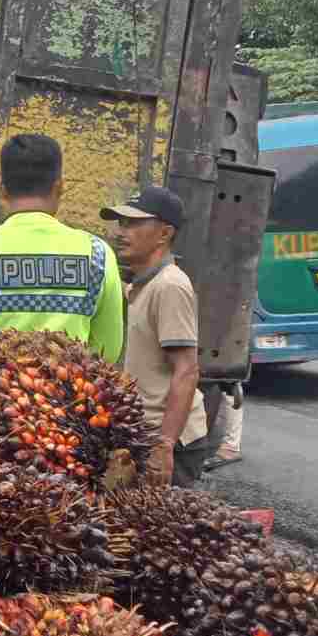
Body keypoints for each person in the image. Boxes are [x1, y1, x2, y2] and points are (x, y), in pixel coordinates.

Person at [0, 133, 123, 361]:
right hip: (70, 395)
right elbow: (106, 352)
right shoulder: (98, 255)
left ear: (2, 189)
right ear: (59, 187)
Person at [103, 185, 209, 488]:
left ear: (164, 234)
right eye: (122, 223)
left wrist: (164, 446)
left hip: (169, 441)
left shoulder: (170, 286)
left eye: (134, 223)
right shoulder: (141, 284)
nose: (122, 232)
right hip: (142, 434)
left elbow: (187, 370)